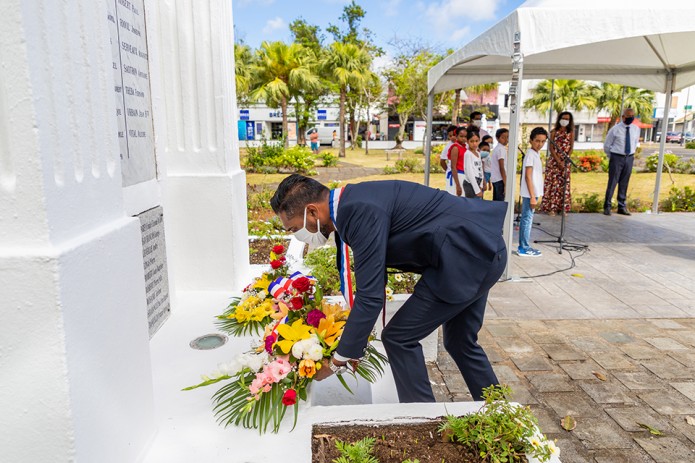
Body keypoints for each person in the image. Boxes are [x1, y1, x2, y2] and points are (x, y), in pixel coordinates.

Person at [270, 174, 507, 403]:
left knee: (398, 338)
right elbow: (374, 278)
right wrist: (353, 339)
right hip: (479, 247)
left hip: (465, 258)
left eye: (293, 229)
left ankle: (423, 422)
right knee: (460, 341)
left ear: (312, 211)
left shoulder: (357, 211)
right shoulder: (352, 202)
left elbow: (370, 296)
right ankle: (501, 414)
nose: (298, 236)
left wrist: (337, 361)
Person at [603, 108, 640, 216]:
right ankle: (607, 206)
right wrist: (613, 156)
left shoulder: (636, 129)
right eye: (628, 116)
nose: (631, 118)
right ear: (623, 117)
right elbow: (607, 145)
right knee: (612, 182)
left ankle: (621, 206)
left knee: (624, 182)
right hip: (616, 157)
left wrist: (631, 155)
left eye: (632, 116)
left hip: (629, 157)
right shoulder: (615, 129)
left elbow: (635, 142)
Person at [518, 127, 548, 257]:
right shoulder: (530, 154)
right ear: (531, 140)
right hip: (530, 193)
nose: (540, 144)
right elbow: (528, 176)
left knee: (528, 218)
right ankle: (523, 247)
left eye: (543, 141)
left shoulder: (535, 154)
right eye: (537, 141)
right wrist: (532, 197)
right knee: (527, 219)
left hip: (533, 193)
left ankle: (524, 246)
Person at [539, 112, 574, 216]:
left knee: (564, 185)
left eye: (567, 119)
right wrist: (558, 160)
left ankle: (563, 208)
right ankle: (551, 208)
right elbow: (551, 147)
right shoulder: (554, 131)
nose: (565, 120)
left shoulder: (571, 132)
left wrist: (564, 160)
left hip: (565, 161)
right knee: (553, 184)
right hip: (554, 161)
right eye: (563, 118)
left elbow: (571, 147)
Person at [462, 129, 484, 199]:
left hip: (478, 182)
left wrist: (481, 185)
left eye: (476, 141)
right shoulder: (468, 154)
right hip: (470, 184)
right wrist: (477, 190)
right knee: (472, 206)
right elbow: (469, 173)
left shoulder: (478, 153)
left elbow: (480, 169)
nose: (474, 144)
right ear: (467, 141)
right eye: (472, 141)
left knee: (478, 205)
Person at [490, 129, 509, 202]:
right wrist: (505, 183)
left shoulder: (498, 148)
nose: (506, 139)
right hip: (500, 179)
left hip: (496, 179)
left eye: (507, 137)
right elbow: (502, 167)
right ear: (497, 138)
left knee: (496, 201)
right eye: (503, 137)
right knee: (500, 201)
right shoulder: (501, 149)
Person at [448, 127, 467, 197]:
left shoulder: (464, 147)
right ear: (456, 136)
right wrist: (458, 185)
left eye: (465, 136)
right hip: (458, 176)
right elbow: (453, 167)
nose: (463, 138)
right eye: (461, 136)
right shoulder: (455, 148)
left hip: (464, 176)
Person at [440, 125, 457, 194]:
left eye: (454, 135)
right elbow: (442, 161)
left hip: (461, 174)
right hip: (451, 174)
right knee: (451, 193)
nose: (452, 137)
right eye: (450, 136)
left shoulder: (464, 145)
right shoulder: (448, 147)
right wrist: (448, 170)